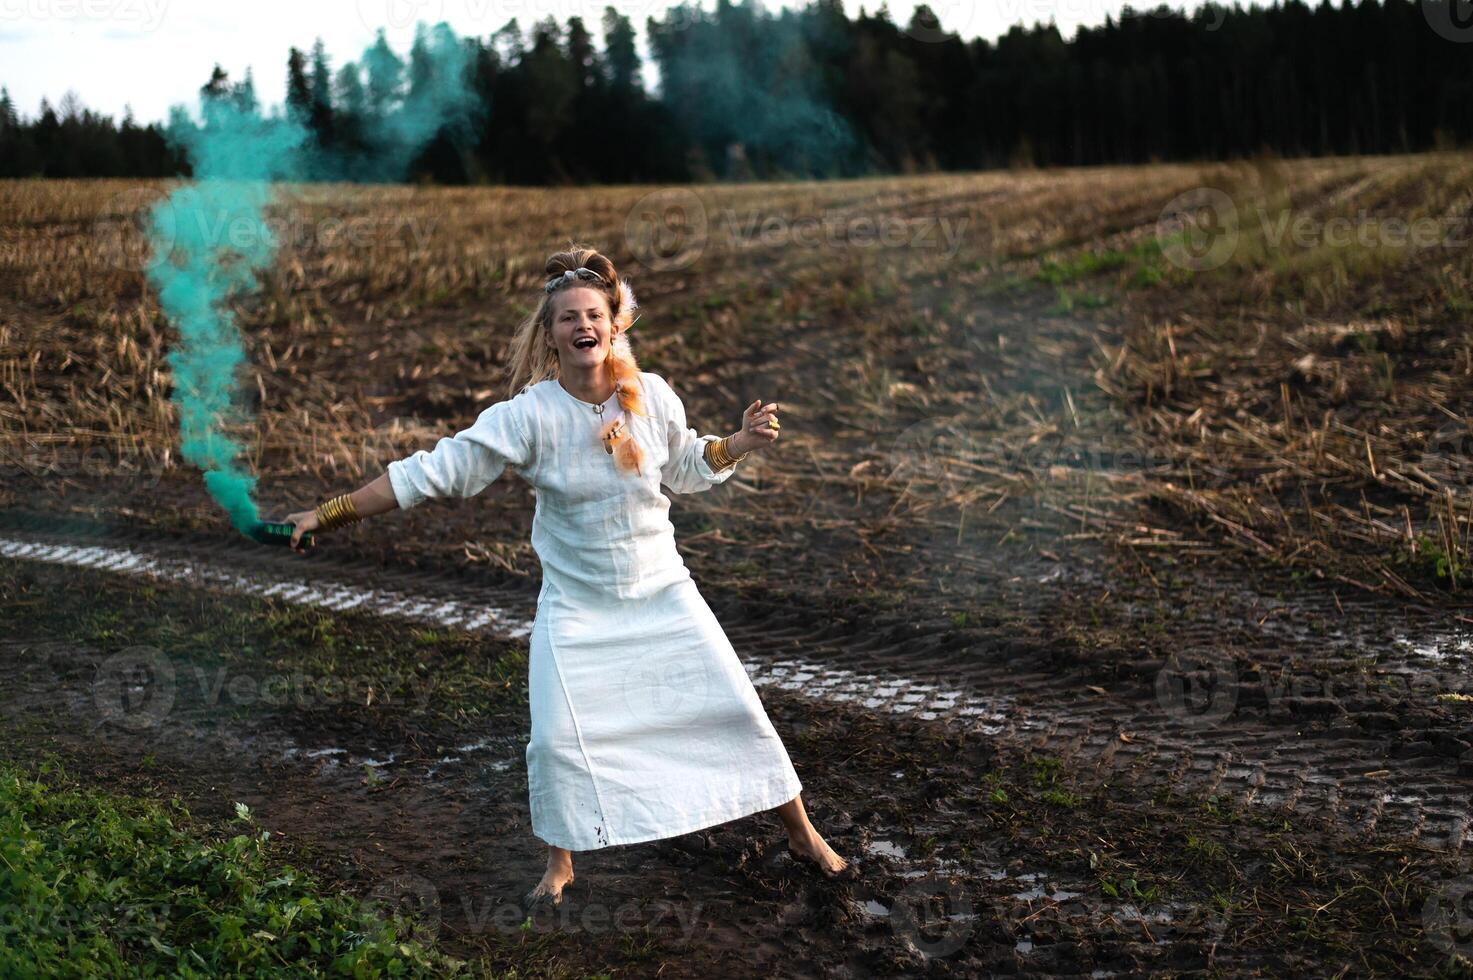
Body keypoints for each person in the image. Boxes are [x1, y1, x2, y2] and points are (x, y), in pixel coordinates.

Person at [283, 246, 850, 910]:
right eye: (566, 318)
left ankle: (803, 834)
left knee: (733, 709)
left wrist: (739, 443)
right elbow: (425, 471)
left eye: (593, 314)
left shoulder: (652, 395)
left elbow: (687, 463)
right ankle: (561, 862)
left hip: (662, 592)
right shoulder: (528, 416)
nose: (582, 326)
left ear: (613, 325)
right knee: (556, 739)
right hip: (577, 607)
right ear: (549, 335)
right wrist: (332, 512)